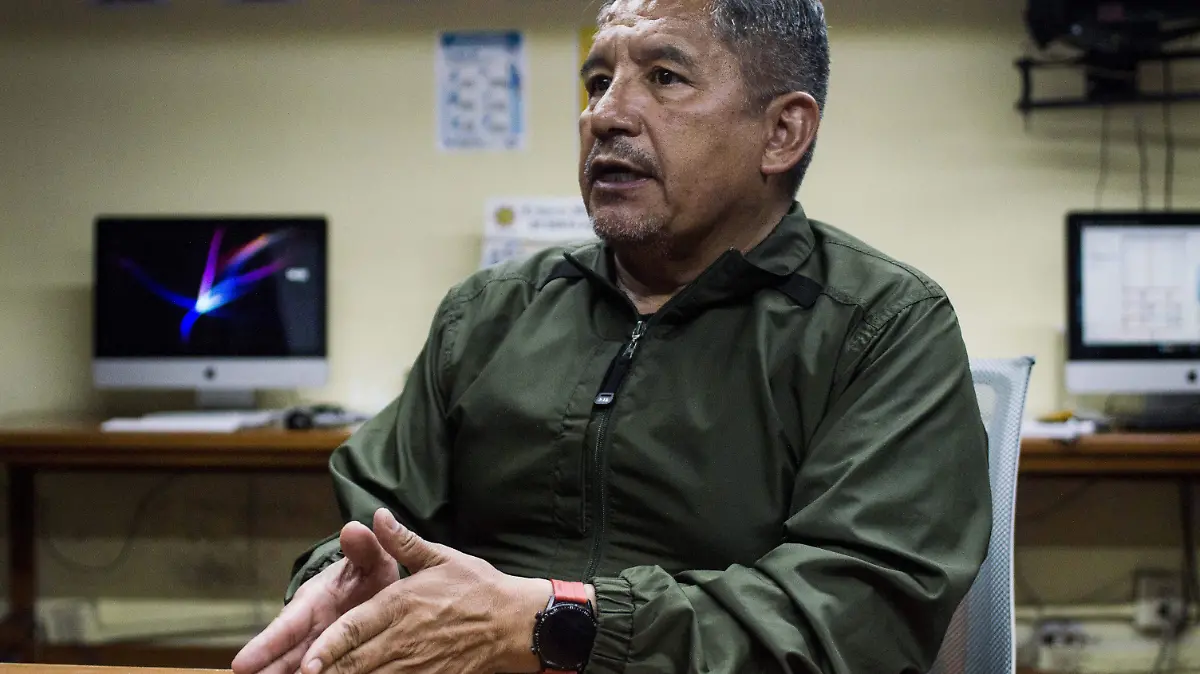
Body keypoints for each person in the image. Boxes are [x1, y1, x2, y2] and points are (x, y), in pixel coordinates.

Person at [231, 0, 992, 672]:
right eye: (598, 82)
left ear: (782, 131)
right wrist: (346, 577)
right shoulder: (489, 314)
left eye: (664, 77)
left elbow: (854, 621)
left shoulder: (882, 326)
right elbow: (370, 517)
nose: (605, 114)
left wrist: (557, 625)